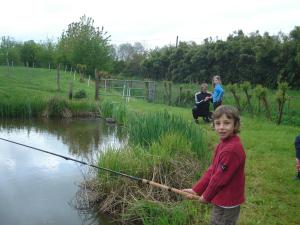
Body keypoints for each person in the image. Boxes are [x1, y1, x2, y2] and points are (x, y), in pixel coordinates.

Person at [183, 105, 246, 225]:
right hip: (221, 197)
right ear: (213, 125)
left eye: (226, 123)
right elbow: (213, 169)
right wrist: (196, 190)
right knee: (215, 221)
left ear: (235, 125)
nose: (221, 127)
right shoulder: (223, 144)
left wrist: (206, 196)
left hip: (228, 200)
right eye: (217, 123)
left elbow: (219, 179)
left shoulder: (230, 150)